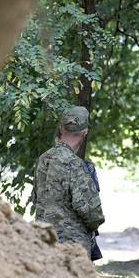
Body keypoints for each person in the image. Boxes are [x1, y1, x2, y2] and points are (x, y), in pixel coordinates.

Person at [34, 106, 105, 258]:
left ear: (61, 128)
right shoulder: (75, 164)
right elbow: (91, 212)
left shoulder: (43, 160)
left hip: (43, 240)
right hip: (72, 247)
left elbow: (38, 199)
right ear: (85, 132)